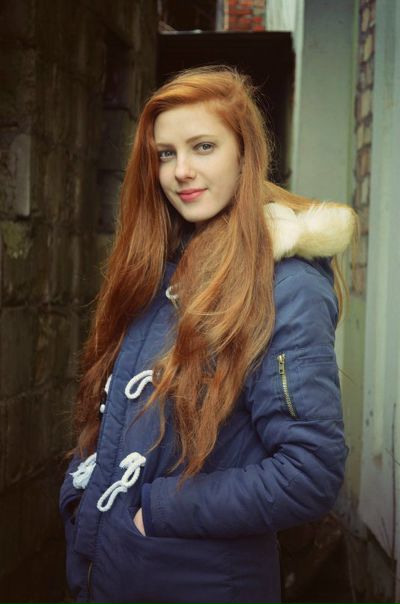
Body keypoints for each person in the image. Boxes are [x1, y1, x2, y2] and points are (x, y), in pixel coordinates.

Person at [59, 65, 357, 604]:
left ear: (244, 154)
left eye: (203, 147)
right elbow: (121, 422)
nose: (181, 171)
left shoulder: (285, 285)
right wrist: (81, 495)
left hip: (204, 582)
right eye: (165, 154)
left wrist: (157, 512)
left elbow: (309, 473)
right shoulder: (162, 271)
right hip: (112, 575)